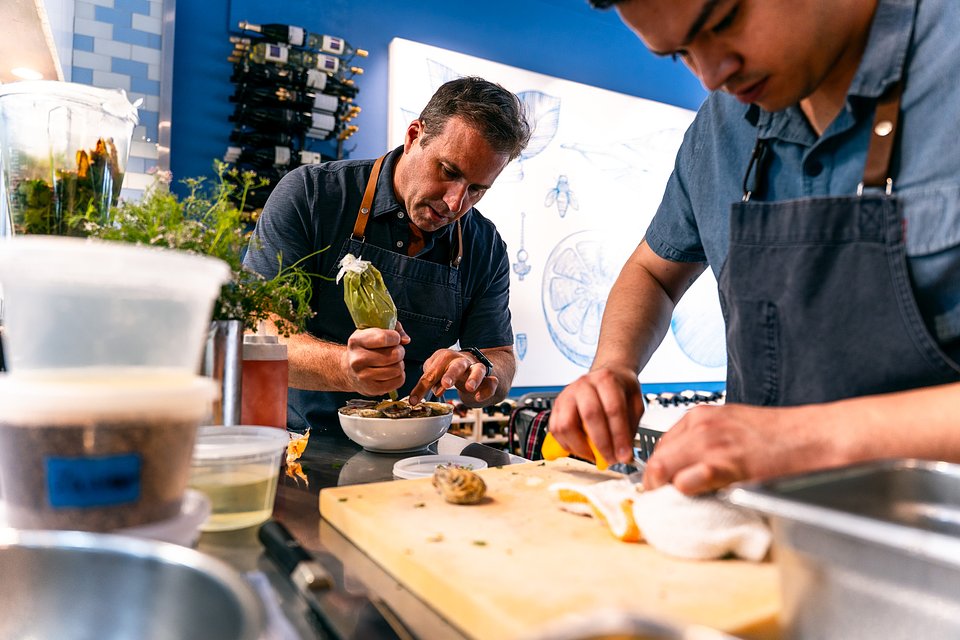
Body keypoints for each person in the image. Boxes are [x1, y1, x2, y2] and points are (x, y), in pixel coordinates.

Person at [550, 0, 960, 494]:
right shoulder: (720, 129)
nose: (711, 76)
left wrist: (801, 440)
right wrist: (614, 366)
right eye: (680, 53)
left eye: (724, 21)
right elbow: (651, 272)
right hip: (759, 530)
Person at [243, 77, 531, 433]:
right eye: (448, 171)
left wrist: (479, 368)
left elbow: (501, 357)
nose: (456, 203)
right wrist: (345, 368)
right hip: (297, 442)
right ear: (413, 136)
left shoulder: (484, 245)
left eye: (476, 189)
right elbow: (259, 334)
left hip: (416, 452)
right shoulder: (312, 196)